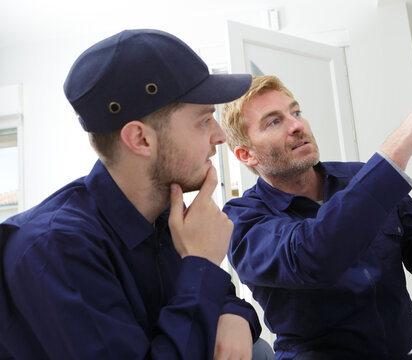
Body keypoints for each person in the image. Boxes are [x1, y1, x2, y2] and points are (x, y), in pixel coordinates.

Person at [0, 29, 265, 359]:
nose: (220, 136)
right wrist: (202, 263)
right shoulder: (55, 248)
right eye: (202, 120)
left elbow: (219, 296)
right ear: (140, 140)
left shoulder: (167, 211)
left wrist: (237, 317)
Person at [219, 58, 412, 360]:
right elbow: (315, 253)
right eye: (274, 121)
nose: (297, 125)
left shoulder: (360, 177)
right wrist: (404, 138)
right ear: (246, 154)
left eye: (296, 111)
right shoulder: (240, 220)